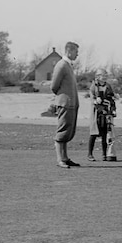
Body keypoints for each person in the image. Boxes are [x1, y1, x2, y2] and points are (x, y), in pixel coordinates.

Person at [50, 41, 81, 169]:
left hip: (71, 104)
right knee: (62, 131)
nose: (77, 54)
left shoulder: (68, 65)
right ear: (69, 51)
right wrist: (62, 98)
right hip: (65, 104)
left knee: (68, 131)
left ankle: (65, 158)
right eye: (76, 52)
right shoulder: (61, 65)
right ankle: (60, 159)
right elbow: (54, 86)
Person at [87, 70, 118, 162]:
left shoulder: (108, 86)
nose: (104, 77)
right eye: (102, 75)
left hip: (105, 112)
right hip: (96, 113)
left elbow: (111, 97)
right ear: (97, 76)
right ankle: (90, 154)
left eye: (105, 75)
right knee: (93, 133)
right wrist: (95, 100)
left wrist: (113, 108)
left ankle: (104, 154)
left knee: (105, 133)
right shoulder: (94, 86)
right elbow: (92, 97)